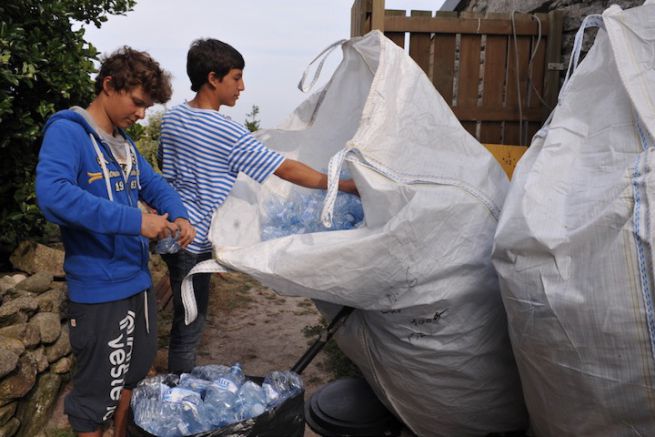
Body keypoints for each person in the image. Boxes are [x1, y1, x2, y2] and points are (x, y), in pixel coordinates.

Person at [158, 38, 357, 375]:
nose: (242, 86)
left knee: (185, 318)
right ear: (213, 78)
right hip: (195, 241)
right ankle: (179, 394)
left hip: (173, 235)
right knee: (191, 325)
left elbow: (167, 167)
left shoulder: (173, 118)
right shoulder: (225, 130)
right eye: (236, 77)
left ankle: (181, 382)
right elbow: (285, 168)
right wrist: (341, 184)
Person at [35, 47, 196, 437]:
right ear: (109, 85)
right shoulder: (68, 132)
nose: (142, 114)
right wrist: (137, 222)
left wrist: (178, 213)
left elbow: (152, 183)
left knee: (133, 375)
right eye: (138, 103)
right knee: (95, 398)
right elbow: (52, 194)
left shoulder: (121, 142)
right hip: (99, 288)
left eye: (148, 106)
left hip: (137, 284)